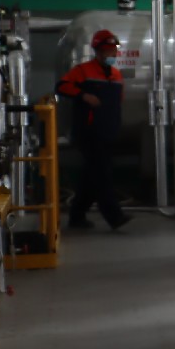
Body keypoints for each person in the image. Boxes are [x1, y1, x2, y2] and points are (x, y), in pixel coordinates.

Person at [57, 29, 130, 230]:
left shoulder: (116, 75)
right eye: (108, 50)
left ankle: (77, 216)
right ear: (98, 51)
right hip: (88, 133)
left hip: (108, 132)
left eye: (114, 50)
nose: (112, 54)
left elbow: (118, 102)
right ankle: (114, 216)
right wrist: (83, 95)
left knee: (91, 176)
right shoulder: (83, 71)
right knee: (102, 174)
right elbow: (61, 87)